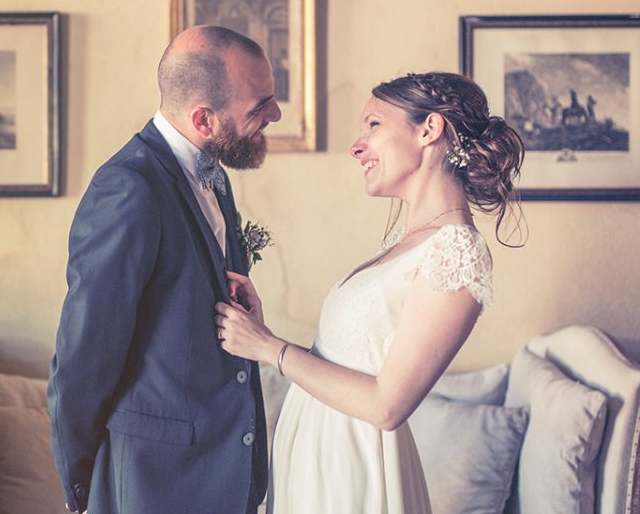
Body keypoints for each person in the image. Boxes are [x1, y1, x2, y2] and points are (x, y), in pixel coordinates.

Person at [215, 72, 524, 513]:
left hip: (353, 469)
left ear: (429, 130)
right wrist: (261, 329)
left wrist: (269, 349)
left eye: (373, 125)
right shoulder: (407, 239)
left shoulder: (457, 249)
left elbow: (387, 406)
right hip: (313, 452)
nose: (357, 146)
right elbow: (348, 363)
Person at [48, 25, 282, 514]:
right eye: (259, 106)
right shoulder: (128, 189)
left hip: (225, 471)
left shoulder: (213, 172)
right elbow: (84, 355)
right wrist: (82, 487)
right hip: (156, 482)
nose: (275, 115)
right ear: (204, 119)